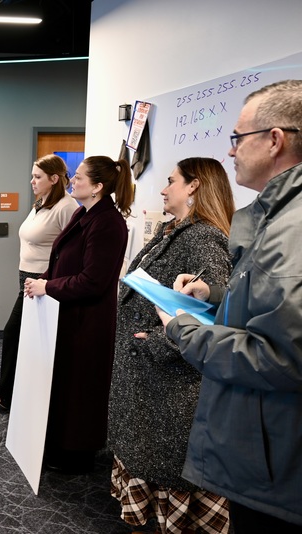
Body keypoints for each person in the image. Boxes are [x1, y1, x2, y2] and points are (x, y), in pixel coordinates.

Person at [158, 80, 302, 532]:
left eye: (238, 138)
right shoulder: (273, 215)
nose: (231, 151)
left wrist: (184, 329)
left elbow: (281, 355)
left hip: (277, 462)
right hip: (267, 452)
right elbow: (270, 302)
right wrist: (215, 297)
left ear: (274, 140)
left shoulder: (293, 227)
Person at [108, 158, 235, 534]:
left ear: (194, 186)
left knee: (167, 475)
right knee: (144, 461)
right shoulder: (172, 230)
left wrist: (158, 343)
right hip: (148, 379)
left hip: (169, 384)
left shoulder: (204, 237)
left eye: (171, 181)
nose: (163, 189)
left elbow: (213, 314)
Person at [27, 155, 133, 474]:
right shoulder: (82, 214)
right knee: (65, 386)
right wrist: (44, 280)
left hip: (88, 322)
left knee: (81, 390)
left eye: (79, 177)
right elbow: (62, 258)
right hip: (68, 316)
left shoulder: (108, 223)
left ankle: (77, 453)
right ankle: (61, 445)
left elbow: (93, 281)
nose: (73, 180)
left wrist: (48, 286)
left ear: (98, 187)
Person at [0, 155, 78, 410]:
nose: (31, 181)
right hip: (26, 278)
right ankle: (23, 395)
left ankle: (6, 394)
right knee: (26, 337)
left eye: (37, 177)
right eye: (32, 175)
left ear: (54, 179)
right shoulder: (42, 203)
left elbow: (73, 249)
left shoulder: (66, 207)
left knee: (13, 332)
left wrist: (50, 280)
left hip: (43, 282)